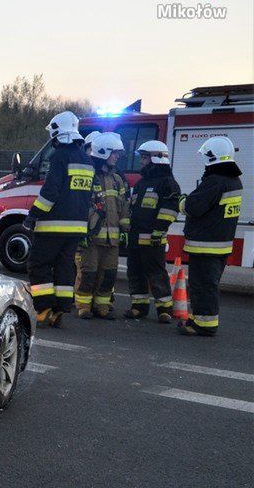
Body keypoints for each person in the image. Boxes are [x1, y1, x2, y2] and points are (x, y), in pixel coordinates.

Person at [24, 111, 95, 327]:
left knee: (39, 264)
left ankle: (44, 307)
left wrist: (33, 215)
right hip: (77, 228)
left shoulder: (59, 157)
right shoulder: (86, 159)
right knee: (65, 267)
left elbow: (51, 192)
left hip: (52, 225)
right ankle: (60, 310)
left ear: (57, 133)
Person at [179, 136, 242, 337]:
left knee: (202, 285)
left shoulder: (215, 182)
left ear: (213, 157)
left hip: (205, 245)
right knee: (208, 284)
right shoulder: (233, 181)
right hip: (221, 244)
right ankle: (199, 319)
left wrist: (182, 201)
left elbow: (193, 207)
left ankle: (204, 325)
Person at [124, 140, 180, 321]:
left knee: (156, 274)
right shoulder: (141, 183)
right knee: (135, 273)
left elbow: (170, 209)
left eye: (145, 157)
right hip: (134, 239)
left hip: (153, 240)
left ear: (157, 158)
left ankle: (164, 309)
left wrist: (159, 230)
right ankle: (139, 306)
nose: (141, 161)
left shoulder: (168, 183)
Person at [75, 132, 129, 319]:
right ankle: (83, 305)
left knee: (108, 274)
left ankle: (102, 306)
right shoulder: (89, 177)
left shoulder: (117, 180)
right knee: (88, 273)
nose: (116, 157)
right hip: (91, 237)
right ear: (103, 153)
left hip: (112, 239)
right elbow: (80, 206)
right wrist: (81, 233)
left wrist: (125, 230)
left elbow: (124, 206)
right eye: (114, 153)